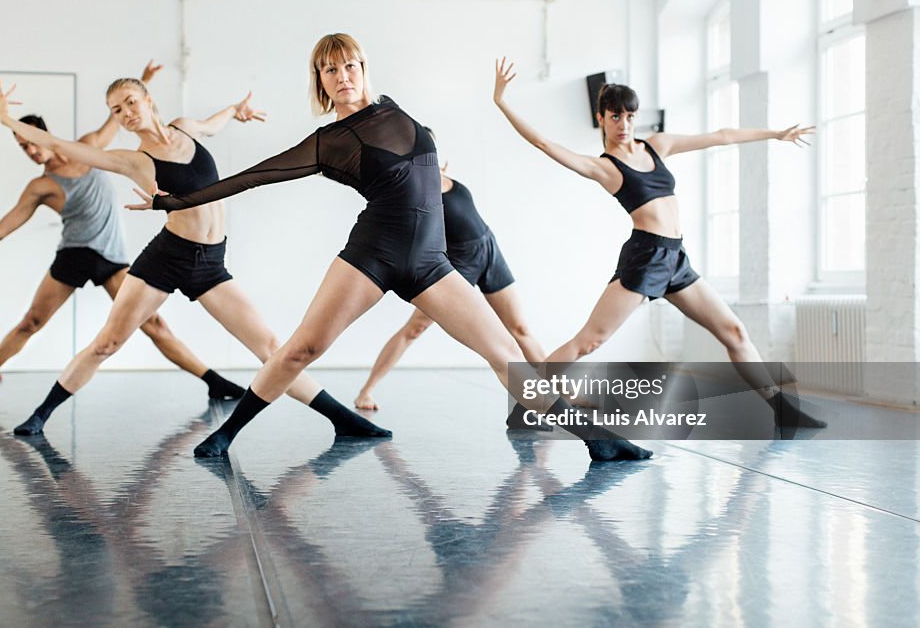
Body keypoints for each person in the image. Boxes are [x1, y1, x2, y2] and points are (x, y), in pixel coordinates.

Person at [131, 33, 651, 461]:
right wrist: (172, 201)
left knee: (505, 354)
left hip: (431, 261)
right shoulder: (327, 142)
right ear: (321, 82)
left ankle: (596, 441)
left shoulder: (395, 108)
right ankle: (224, 437)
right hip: (372, 254)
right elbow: (253, 177)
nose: (344, 76)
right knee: (301, 348)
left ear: (363, 67)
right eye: (331, 70)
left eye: (350, 65)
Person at [0, 72, 385, 440]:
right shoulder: (133, 160)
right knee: (107, 342)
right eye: (116, 110)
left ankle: (342, 421)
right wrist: (7, 118)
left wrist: (236, 111)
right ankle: (40, 415)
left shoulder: (185, 128)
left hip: (210, 262)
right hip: (166, 257)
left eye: (130, 102)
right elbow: (59, 145)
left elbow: (215, 122)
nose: (126, 114)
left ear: (147, 99)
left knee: (269, 345)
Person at [492, 57, 825, 429]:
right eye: (615, 116)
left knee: (733, 332)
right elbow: (543, 143)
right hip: (645, 256)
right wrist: (503, 102)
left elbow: (721, 136)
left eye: (630, 116)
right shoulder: (605, 167)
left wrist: (775, 134)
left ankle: (782, 410)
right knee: (588, 342)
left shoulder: (657, 147)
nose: (624, 124)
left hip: (676, 258)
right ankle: (526, 406)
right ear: (601, 118)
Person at [0, 61, 245, 403]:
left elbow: (120, 119)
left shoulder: (91, 147)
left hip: (112, 256)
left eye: (31, 142)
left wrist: (142, 84)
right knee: (31, 321)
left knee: (154, 325)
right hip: (74, 254)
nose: (31, 150)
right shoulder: (41, 185)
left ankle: (213, 381)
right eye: (23, 147)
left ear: (42, 135)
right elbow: (1, 229)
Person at [354, 127, 545, 412]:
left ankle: (561, 393)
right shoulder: (415, 191)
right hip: (459, 262)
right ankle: (366, 392)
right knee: (414, 329)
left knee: (519, 328)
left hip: (489, 250)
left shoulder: (442, 176)